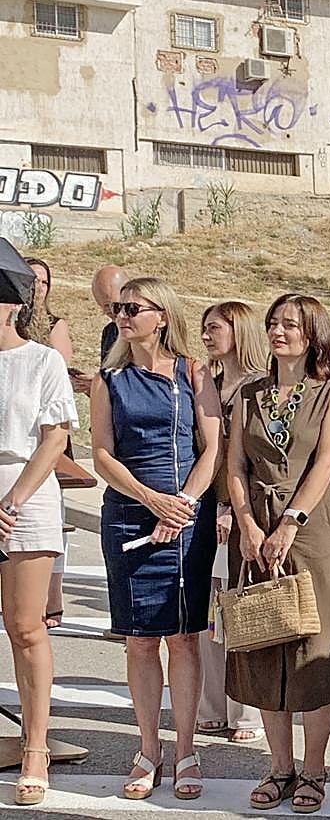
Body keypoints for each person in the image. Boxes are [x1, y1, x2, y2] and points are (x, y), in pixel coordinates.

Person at [90, 277, 222, 801]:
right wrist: (152, 501)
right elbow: (102, 454)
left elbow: (211, 447)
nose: (122, 316)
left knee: (184, 637)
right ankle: (149, 749)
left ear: (162, 315)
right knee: (140, 639)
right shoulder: (109, 379)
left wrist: (183, 505)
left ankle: (186, 750)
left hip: (187, 517)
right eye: (119, 309)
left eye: (133, 308)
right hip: (129, 515)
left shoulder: (194, 372)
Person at [225, 293, 330, 814]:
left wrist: (289, 523)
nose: (279, 332)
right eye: (274, 323)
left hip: (311, 528)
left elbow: (326, 464)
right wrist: (250, 525)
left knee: (314, 646)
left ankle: (315, 768)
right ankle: (279, 766)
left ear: (313, 333)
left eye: (291, 325)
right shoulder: (249, 393)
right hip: (255, 526)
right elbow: (233, 466)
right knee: (264, 640)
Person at [0, 250, 77, 806]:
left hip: (25, 494)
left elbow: (55, 439)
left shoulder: (43, 360)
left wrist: (13, 499)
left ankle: (35, 748)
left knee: (26, 628)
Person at [195, 301, 268, 744]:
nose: (206, 335)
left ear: (238, 330)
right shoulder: (207, 383)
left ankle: (248, 710)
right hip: (205, 508)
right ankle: (212, 704)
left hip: (244, 509)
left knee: (244, 611)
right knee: (209, 612)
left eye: (214, 328)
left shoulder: (259, 386)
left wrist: (232, 507)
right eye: (203, 328)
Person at [16, 258, 74, 630]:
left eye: (43, 281)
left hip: (44, 432)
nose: (38, 287)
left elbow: (60, 378)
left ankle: (52, 599)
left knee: (50, 523)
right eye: (31, 280)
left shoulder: (52, 331)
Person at [70, 264, 128, 395]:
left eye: (115, 305)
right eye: (104, 307)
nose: (110, 312)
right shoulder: (110, 332)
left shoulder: (146, 331)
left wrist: (103, 384)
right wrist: (90, 387)